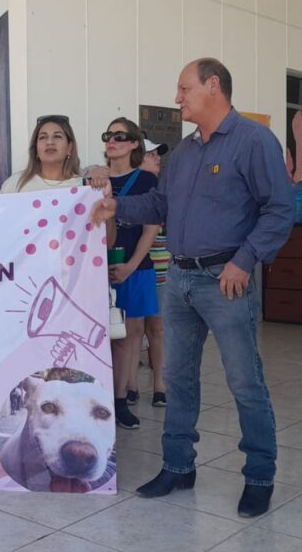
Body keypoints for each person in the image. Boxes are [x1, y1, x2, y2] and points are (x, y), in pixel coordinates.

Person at [90, 58, 294, 517]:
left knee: (245, 381)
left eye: (184, 89)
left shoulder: (253, 141)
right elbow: (159, 203)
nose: (178, 98)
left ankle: (259, 476)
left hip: (226, 280)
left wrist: (245, 261)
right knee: (178, 379)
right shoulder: (182, 154)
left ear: (213, 86)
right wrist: (115, 208)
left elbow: (279, 209)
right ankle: (178, 466)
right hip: (179, 279)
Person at [102, 118, 159, 430]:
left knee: (129, 337)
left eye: (120, 136)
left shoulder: (147, 181)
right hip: (98, 269)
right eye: (108, 135)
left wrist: (131, 265)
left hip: (134, 267)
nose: (113, 140)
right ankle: (102, 398)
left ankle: (120, 400)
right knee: (103, 336)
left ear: (135, 143)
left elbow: (151, 227)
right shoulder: (94, 180)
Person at [139, 139, 169, 408]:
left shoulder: (165, 188)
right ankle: (130, 386)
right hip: (136, 269)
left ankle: (160, 383)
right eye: (150, 154)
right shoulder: (128, 188)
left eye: (157, 154)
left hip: (161, 270)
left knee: (156, 328)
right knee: (133, 330)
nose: (156, 158)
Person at [1, 115, 83, 193]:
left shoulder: (83, 186)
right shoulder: (14, 184)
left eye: (57, 136)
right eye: (43, 137)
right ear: (36, 148)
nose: (49, 142)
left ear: (69, 147)